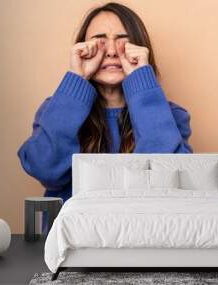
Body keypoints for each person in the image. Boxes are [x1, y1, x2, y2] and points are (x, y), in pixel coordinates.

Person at [17, 2, 193, 232]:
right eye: (100, 40)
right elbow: (44, 169)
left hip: (146, 238)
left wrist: (141, 80)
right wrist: (76, 79)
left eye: (123, 40)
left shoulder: (170, 115)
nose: (111, 51)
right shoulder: (57, 108)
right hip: (73, 244)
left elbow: (169, 182)